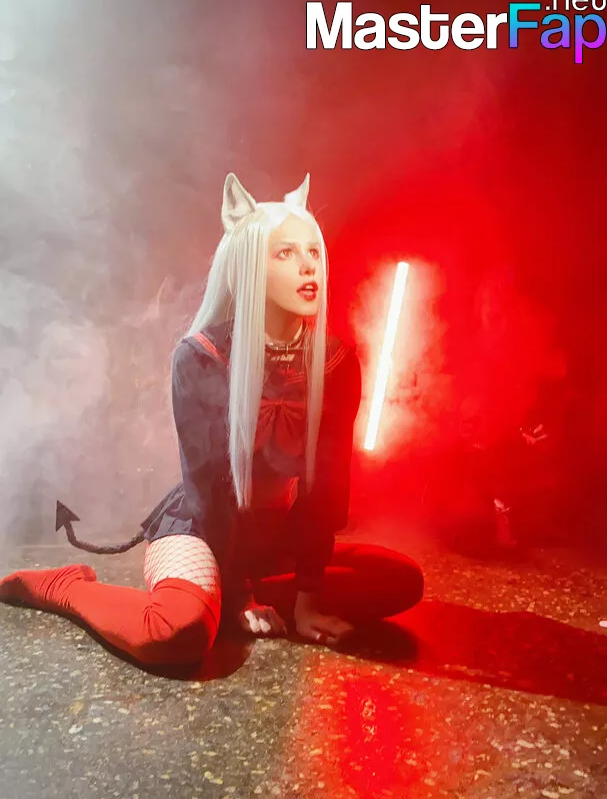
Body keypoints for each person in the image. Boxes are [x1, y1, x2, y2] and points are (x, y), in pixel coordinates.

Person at [0, 172, 424, 668]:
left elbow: (324, 492)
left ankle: (244, 599)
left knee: (401, 581)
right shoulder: (202, 357)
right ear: (246, 265)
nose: (308, 265)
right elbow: (209, 495)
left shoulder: (334, 362)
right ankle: (68, 587)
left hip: (274, 536)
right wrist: (238, 593)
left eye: (313, 251)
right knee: (174, 634)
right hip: (202, 528)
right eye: (285, 253)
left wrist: (308, 601)